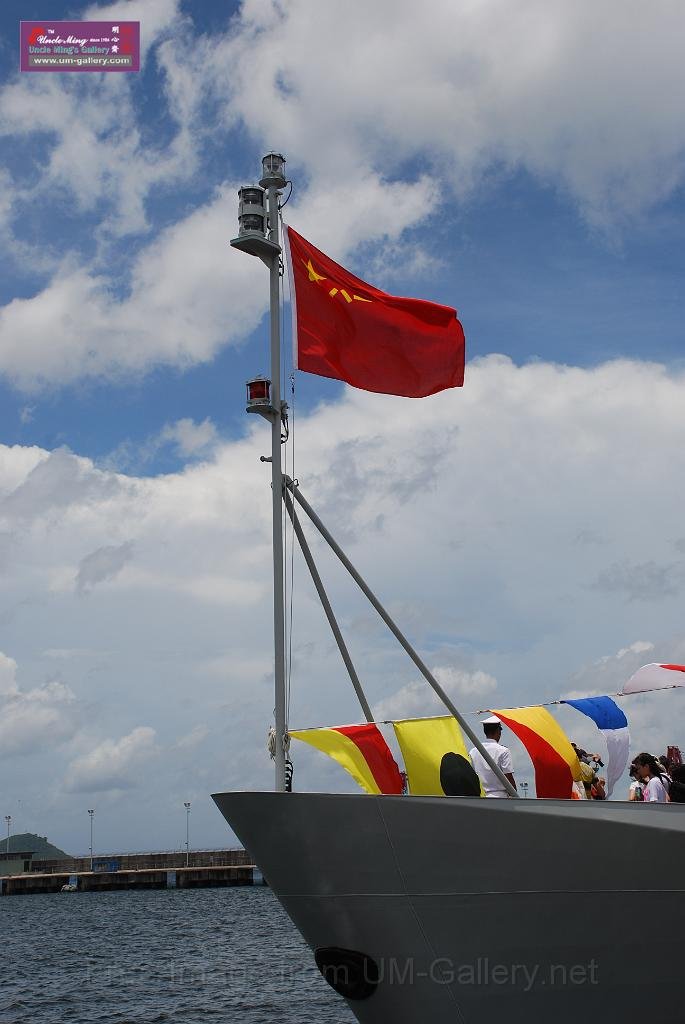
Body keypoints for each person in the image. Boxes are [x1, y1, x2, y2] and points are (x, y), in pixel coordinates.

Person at [469, 716, 517, 798]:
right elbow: (508, 776)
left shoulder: (473, 751)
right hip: (500, 796)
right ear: (498, 731)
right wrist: (515, 794)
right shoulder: (503, 751)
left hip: (481, 797)